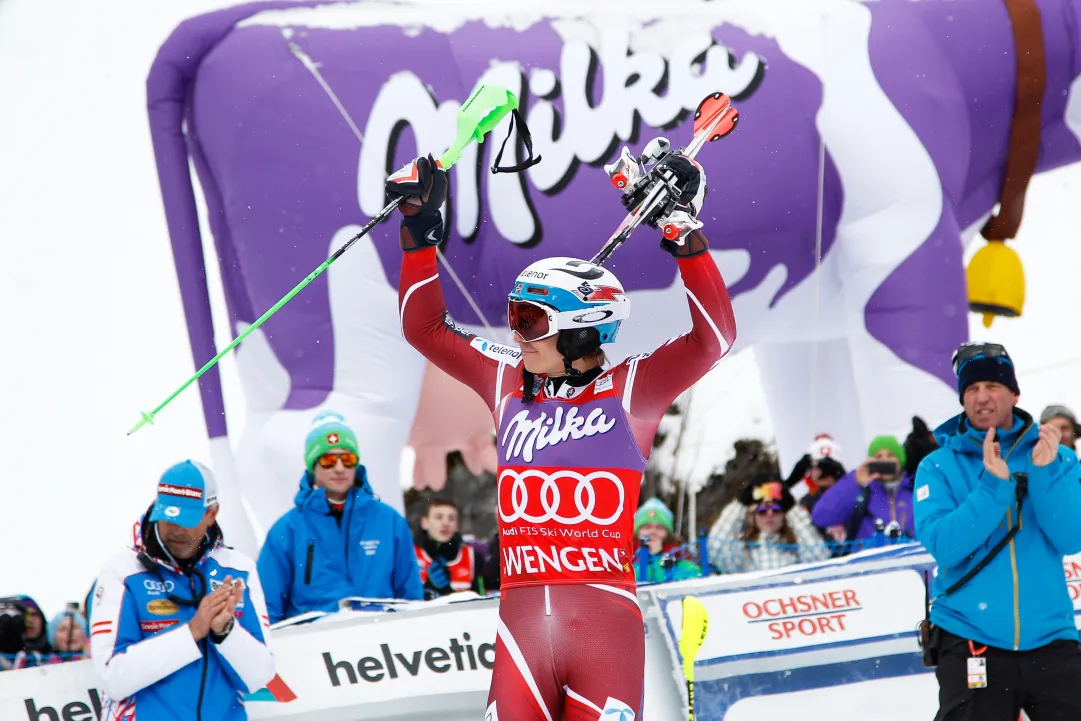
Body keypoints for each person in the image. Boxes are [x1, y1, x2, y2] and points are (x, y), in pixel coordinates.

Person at [388, 151, 735, 720]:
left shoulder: (633, 390)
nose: (516, 332)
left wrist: (682, 233)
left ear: (580, 332)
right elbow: (422, 327)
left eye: (530, 321)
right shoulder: (505, 377)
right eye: (514, 315)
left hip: (604, 631)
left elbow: (714, 338)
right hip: (521, 625)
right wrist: (420, 232)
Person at [915, 342, 1081, 721]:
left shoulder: (1059, 457)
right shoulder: (937, 466)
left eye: (992, 385)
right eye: (971, 389)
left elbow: (1071, 537)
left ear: (1015, 393)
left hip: (1051, 639)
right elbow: (945, 546)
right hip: (970, 637)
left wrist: (1045, 474)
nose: (982, 397)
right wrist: (991, 490)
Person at [89, 460, 276, 720]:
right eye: (167, 517)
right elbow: (113, 677)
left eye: (185, 520)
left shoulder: (238, 569)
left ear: (211, 514)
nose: (175, 530)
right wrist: (192, 632)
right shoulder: (122, 572)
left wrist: (225, 632)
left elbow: (259, 676)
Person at [258, 411, 422, 623]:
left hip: (381, 642)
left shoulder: (389, 522)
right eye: (328, 460)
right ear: (313, 466)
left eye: (347, 459)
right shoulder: (287, 530)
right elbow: (267, 607)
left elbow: (411, 597)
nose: (339, 468)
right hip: (314, 644)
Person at [708, 474, 830, 573]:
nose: (770, 514)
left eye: (776, 510)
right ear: (754, 517)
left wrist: (792, 507)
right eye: (762, 511)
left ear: (784, 516)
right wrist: (740, 503)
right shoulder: (744, 553)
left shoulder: (797, 549)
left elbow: (819, 557)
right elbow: (716, 549)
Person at [812, 435, 915, 546]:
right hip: (869, 561)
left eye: (890, 455)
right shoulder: (861, 493)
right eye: (878, 456)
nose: (884, 460)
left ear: (900, 460)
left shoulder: (914, 490)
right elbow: (821, 517)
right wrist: (855, 481)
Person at [414, 498, 486, 599]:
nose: (445, 523)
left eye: (451, 518)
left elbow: (482, 599)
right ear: (425, 523)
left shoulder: (473, 557)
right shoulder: (410, 556)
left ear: (457, 525)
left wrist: (448, 592)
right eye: (438, 517)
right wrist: (428, 588)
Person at [632, 498, 701, 583]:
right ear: (637, 531)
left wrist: (658, 557)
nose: (653, 532)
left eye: (659, 528)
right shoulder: (623, 556)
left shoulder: (681, 555)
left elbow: (692, 578)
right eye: (647, 527)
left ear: (668, 533)